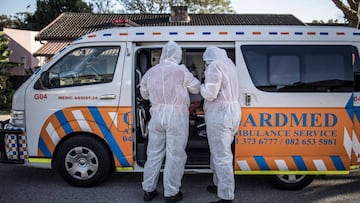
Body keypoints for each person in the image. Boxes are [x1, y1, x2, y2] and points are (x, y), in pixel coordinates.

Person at [140, 41, 201, 203]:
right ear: (178, 55)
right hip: (176, 116)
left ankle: (148, 190)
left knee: (153, 153)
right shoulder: (181, 71)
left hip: (157, 115)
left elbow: (144, 94)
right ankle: (171, 193)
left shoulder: (151, 72)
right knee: (175, 155)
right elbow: (196, 88)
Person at [200, 47, 241, 203]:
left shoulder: (214, 66)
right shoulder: (229, 64)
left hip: (220, 114)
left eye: (205, 62)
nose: (205, 65)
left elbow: (210, 94)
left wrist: (201, 87)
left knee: (221, 155)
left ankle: (226, 195)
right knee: (220, 151)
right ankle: (218, 185)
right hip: (233, 112)